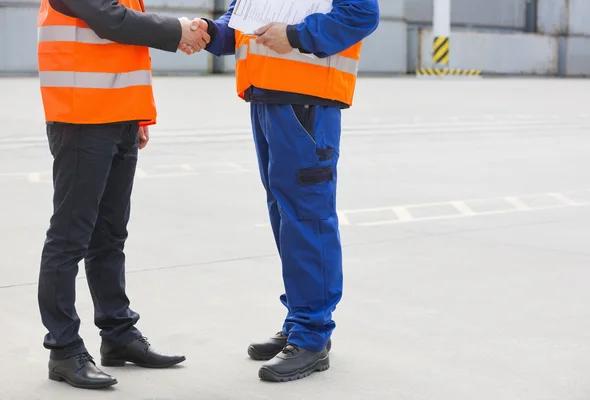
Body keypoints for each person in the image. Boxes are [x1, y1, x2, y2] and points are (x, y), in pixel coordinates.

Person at [188, 0, 379, 382]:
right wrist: (212, 32)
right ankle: (300, 322)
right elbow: (240, 21)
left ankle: (312, 336)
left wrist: (294, 36)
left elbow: (361, 14)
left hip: (306, 100)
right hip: (267, 98)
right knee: (285, 217)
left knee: (307, 217)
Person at [37, 0, 210, 390]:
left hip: (120, 115)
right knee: (69, 237)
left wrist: (139, 114)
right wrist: (178, 30)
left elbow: (126, 48)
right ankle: (63, 349)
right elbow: (109, 21)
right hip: (82, 116)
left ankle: (118, 334)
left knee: (111, 234)